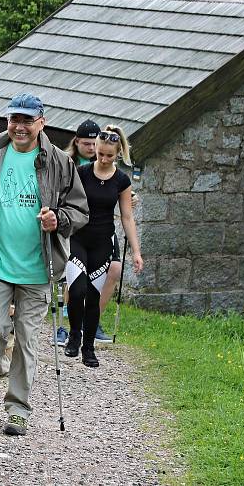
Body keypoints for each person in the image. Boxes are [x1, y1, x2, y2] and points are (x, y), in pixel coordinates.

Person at [0, 92, 88, 436]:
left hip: (38, 268)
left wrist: (58, 220)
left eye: (26, 120)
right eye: (14, 119)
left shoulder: (60, 161)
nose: (19, 126)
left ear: (41, 123)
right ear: (8, 121)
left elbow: (80, 211)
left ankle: (18, 407)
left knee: (28, 339)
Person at [65, 125, 143, 367]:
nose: (104, 159)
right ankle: (74, 334)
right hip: (78, 238)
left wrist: (136, 251)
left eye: (109, 155)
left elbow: (127, 216)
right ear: (95, 150)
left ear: (118, 153)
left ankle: (89, 347)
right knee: (76, 291)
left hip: (102, 242)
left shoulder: (121, 180)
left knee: (93, 294)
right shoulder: (82, 173)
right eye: (100, 154)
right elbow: (67, 201)